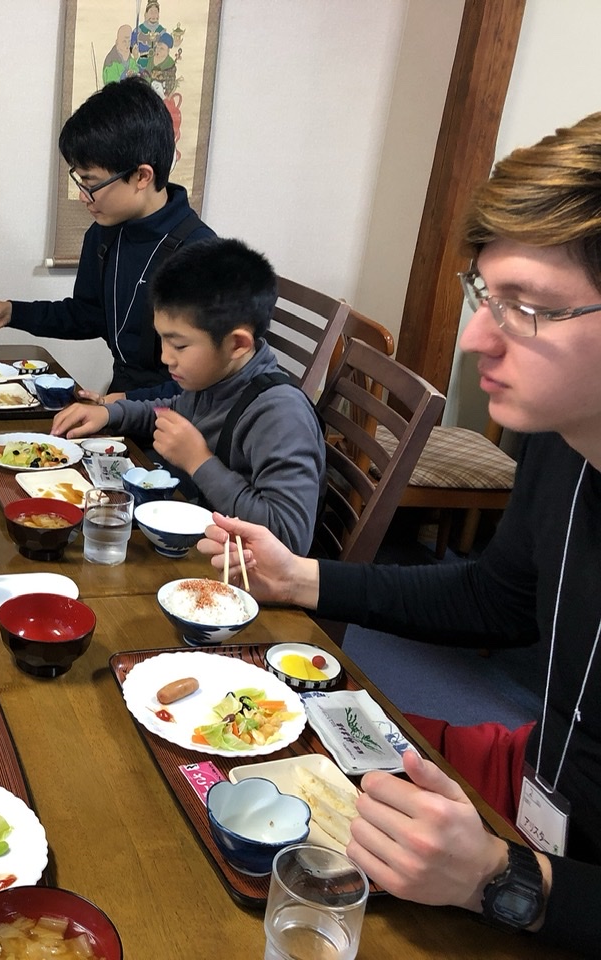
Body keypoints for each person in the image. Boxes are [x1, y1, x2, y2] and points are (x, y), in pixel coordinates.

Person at [197, 113, 601, 953]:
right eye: (484, 295)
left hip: (552, 885)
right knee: (233, 756)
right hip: (536, 788)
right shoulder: (565, 437)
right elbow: (498, 599)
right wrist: (300, 578)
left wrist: (505, 880)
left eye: (527, 307)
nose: (475, 338)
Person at [50, 237, 325, 554]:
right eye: (162, 340)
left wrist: (198, 461)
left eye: (179, 345)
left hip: (239, 570)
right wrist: (110, 413)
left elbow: (290, 539)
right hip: (198, 533)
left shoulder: (281, 415)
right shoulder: (216, 377)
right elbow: (172, 411)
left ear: (237, 344)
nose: (166, 357)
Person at [0, 76, 214, 399]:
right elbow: (87, 315)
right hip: (118, 406)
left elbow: (211, 386)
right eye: (80, 181)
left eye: (91, 183)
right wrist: (8, 312)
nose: (82, 196)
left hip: (174, 419)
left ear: (142, 176)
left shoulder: (201, 257)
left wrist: (127, 403)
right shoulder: (103, 235)